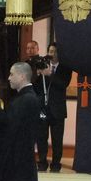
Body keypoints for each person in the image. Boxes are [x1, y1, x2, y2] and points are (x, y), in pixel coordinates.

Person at [0, 62, 72, 181]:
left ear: (22, 76)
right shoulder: (25, 97)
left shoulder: (26, 99)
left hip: (19, 152)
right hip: (20, 150)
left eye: (12, 74)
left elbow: (7, 123)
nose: (9, 78)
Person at [35, 43, 72, 173]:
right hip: (43, 108)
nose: (52, 54)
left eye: (55, 52)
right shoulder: (43, 65)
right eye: (50, 51)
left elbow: (63, 84)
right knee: (41, 137)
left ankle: (56, 164)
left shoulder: (66, 68)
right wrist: (39, 74)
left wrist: (50, 74)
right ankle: (42, 162)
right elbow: (35, 86)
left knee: (57, 139)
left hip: (58, 110)